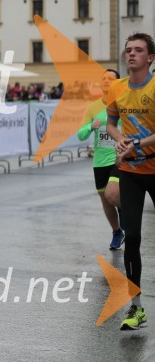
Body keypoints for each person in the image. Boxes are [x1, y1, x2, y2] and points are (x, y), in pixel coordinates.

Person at [106, 33, 155, 331]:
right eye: (128, 50)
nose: (131, 54)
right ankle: (136, 308)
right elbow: (111, 123)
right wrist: (120, 140)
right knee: (133, 237)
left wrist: (137, 144)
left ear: (150, 57)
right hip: (131, 171)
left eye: (138, 50)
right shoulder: (117, 87)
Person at [77, 69, 124, 249]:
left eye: (110, 78)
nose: (105, 81)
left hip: (119, 157)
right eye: (103, 78)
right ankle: (117, 232)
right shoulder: (93, 107)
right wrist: (91, 126)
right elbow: (81, 135)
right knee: (106, 200)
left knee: (112, 193)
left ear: (117, 83)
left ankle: (125, 212)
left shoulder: (123, 103)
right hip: (100, 160)